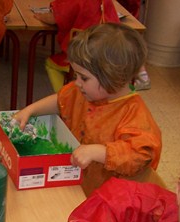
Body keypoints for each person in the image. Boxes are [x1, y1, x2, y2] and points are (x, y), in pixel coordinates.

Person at [14, 22, 161, 196]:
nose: (77, 82)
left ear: (113, 77)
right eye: (76, 75)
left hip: (108, 198)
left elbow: (141, 156)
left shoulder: (134, 114)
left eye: (84, 78)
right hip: (76, 185)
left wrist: (100, 152)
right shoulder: (86, 91)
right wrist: (31, 110)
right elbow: (61, 100)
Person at [33, 0, 150, 92]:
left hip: (85, 56)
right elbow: (115, 26)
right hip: (110, 56)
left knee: (51, 63)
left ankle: (65, 98)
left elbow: (54, 18)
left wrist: (39, 16)